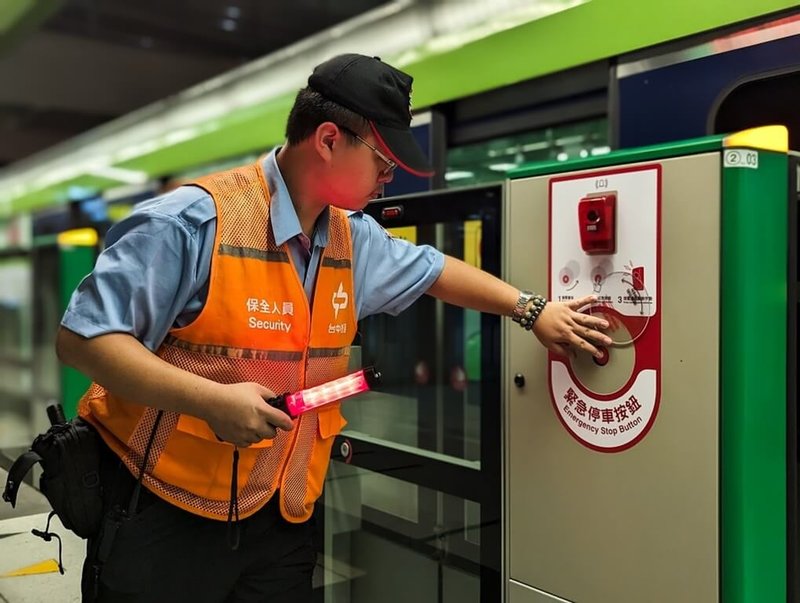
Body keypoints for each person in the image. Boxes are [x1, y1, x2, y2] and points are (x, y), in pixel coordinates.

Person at [56, 53, 611, 602]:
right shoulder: (193, 223)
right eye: (384, 163)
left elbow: (437, 272)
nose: (388, 181)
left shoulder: (353, 239)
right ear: (327, 139)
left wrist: (533, 311)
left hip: (283, 516)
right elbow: (84, 339)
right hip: (163, 512)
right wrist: (211, 401)